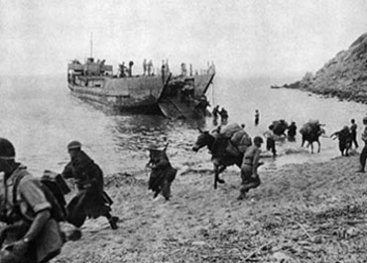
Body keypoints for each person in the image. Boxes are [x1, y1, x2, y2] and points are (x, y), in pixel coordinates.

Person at [0, 138, 63, 263]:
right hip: (11, 233)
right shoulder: (4, 181)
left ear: (3, 159)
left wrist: (26, 240)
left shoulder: (26, 182)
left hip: (28, 237)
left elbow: (44, 213)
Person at [62, 141, 118, 230]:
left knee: (80, 206)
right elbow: (67, 172)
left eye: (70, 151)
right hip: (88, 187)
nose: (69, 153)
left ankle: (74, 226)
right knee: (95, 206)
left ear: (75, 150)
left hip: (89, 188)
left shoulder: (82, 161)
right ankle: (111, 220)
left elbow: (84, 174)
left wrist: (87, 184)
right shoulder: (78, 160)